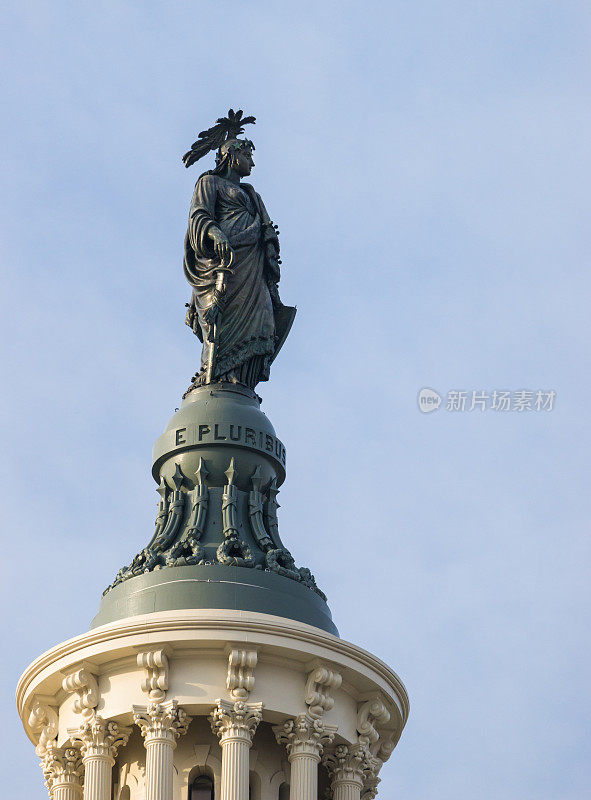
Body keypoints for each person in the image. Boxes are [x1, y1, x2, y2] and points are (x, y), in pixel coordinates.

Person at [182, 110, 294, 392]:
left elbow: (267, 230)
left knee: (263, 321)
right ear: (232, 156)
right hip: (225, 264)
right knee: (221, 321)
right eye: (248, 156)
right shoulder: (209, 182)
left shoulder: (253, 194)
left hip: (252, 270)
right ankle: (216, 377)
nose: (252, 163)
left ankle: (242, 384)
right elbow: (199, 215)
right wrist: (214, 232)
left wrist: (268, 242)